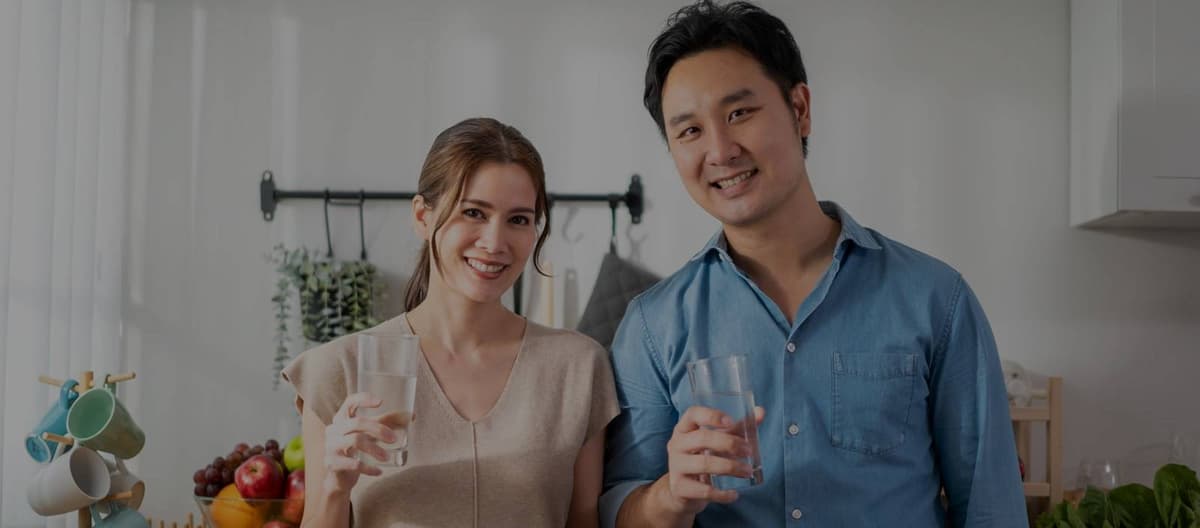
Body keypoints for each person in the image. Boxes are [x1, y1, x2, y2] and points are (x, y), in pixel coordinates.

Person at [600, 2, 1026, 526]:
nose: (720, 150)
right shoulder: (652, 325)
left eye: (739, 113)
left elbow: (991, 507)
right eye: (689, 131)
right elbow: (618, 506)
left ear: (799, 108)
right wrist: (669, 496)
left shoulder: (938, 299)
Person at [283, 117, 619, 528]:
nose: (495, 243)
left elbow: (583, 522)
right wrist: (335, 488)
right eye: (474, 212)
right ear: (423, 217)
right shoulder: (338, 368)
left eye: (518, 219)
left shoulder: (579, 367)